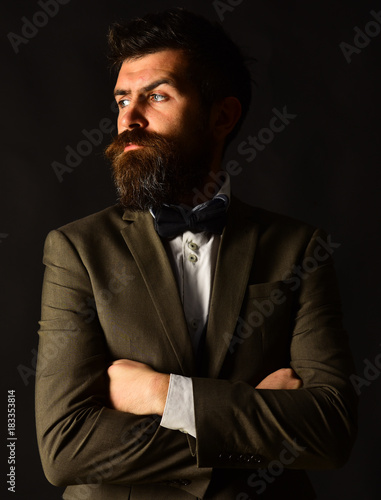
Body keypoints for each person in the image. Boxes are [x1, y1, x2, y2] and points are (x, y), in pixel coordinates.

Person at [36, 8, 357, 500]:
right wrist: (253, 425)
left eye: (156, 96)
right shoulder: (75, 249)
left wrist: (162, 395)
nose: (129, 119)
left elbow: (331, 431)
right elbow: (66, 449)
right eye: (122, 99)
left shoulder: (299, 248)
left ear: (221, 116)